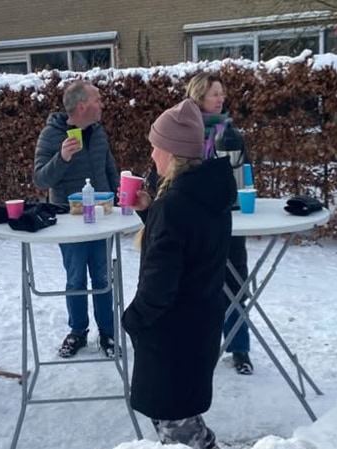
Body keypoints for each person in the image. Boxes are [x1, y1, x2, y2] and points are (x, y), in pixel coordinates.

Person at [122, 99, 237, 449]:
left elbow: (161, 284)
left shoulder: (174, 206)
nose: (152, 154)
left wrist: (133, 320)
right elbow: (190, 247)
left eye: (155, 146)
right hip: (197, 328)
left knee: (177, 429)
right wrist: (151, 213)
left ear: (171, 153)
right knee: (183, 419)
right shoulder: (207, 194)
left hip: (171, 337)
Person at [34, 80, 119, 358]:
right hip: (69, 222)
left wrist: (120, 200)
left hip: (102, 218)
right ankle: (78, 331)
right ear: (82, 106)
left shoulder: (98, 132)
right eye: (97, 100)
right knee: (76, 278)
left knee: (103, 277)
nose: (102, 104)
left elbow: (109, 169)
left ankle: (108, 333)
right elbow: (40, 179)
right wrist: (62, 157)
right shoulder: (51, 135)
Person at [186, 72, 254, 375]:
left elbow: (246, 172)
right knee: (199, 287)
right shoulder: (185, 132)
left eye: (222, 93)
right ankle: (199, 348)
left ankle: (239, 348)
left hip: (230, 218)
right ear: (199, 96)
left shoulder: (230, 132)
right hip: (197, 221)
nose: (221, 98)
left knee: (236, 283)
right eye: (215, 93)